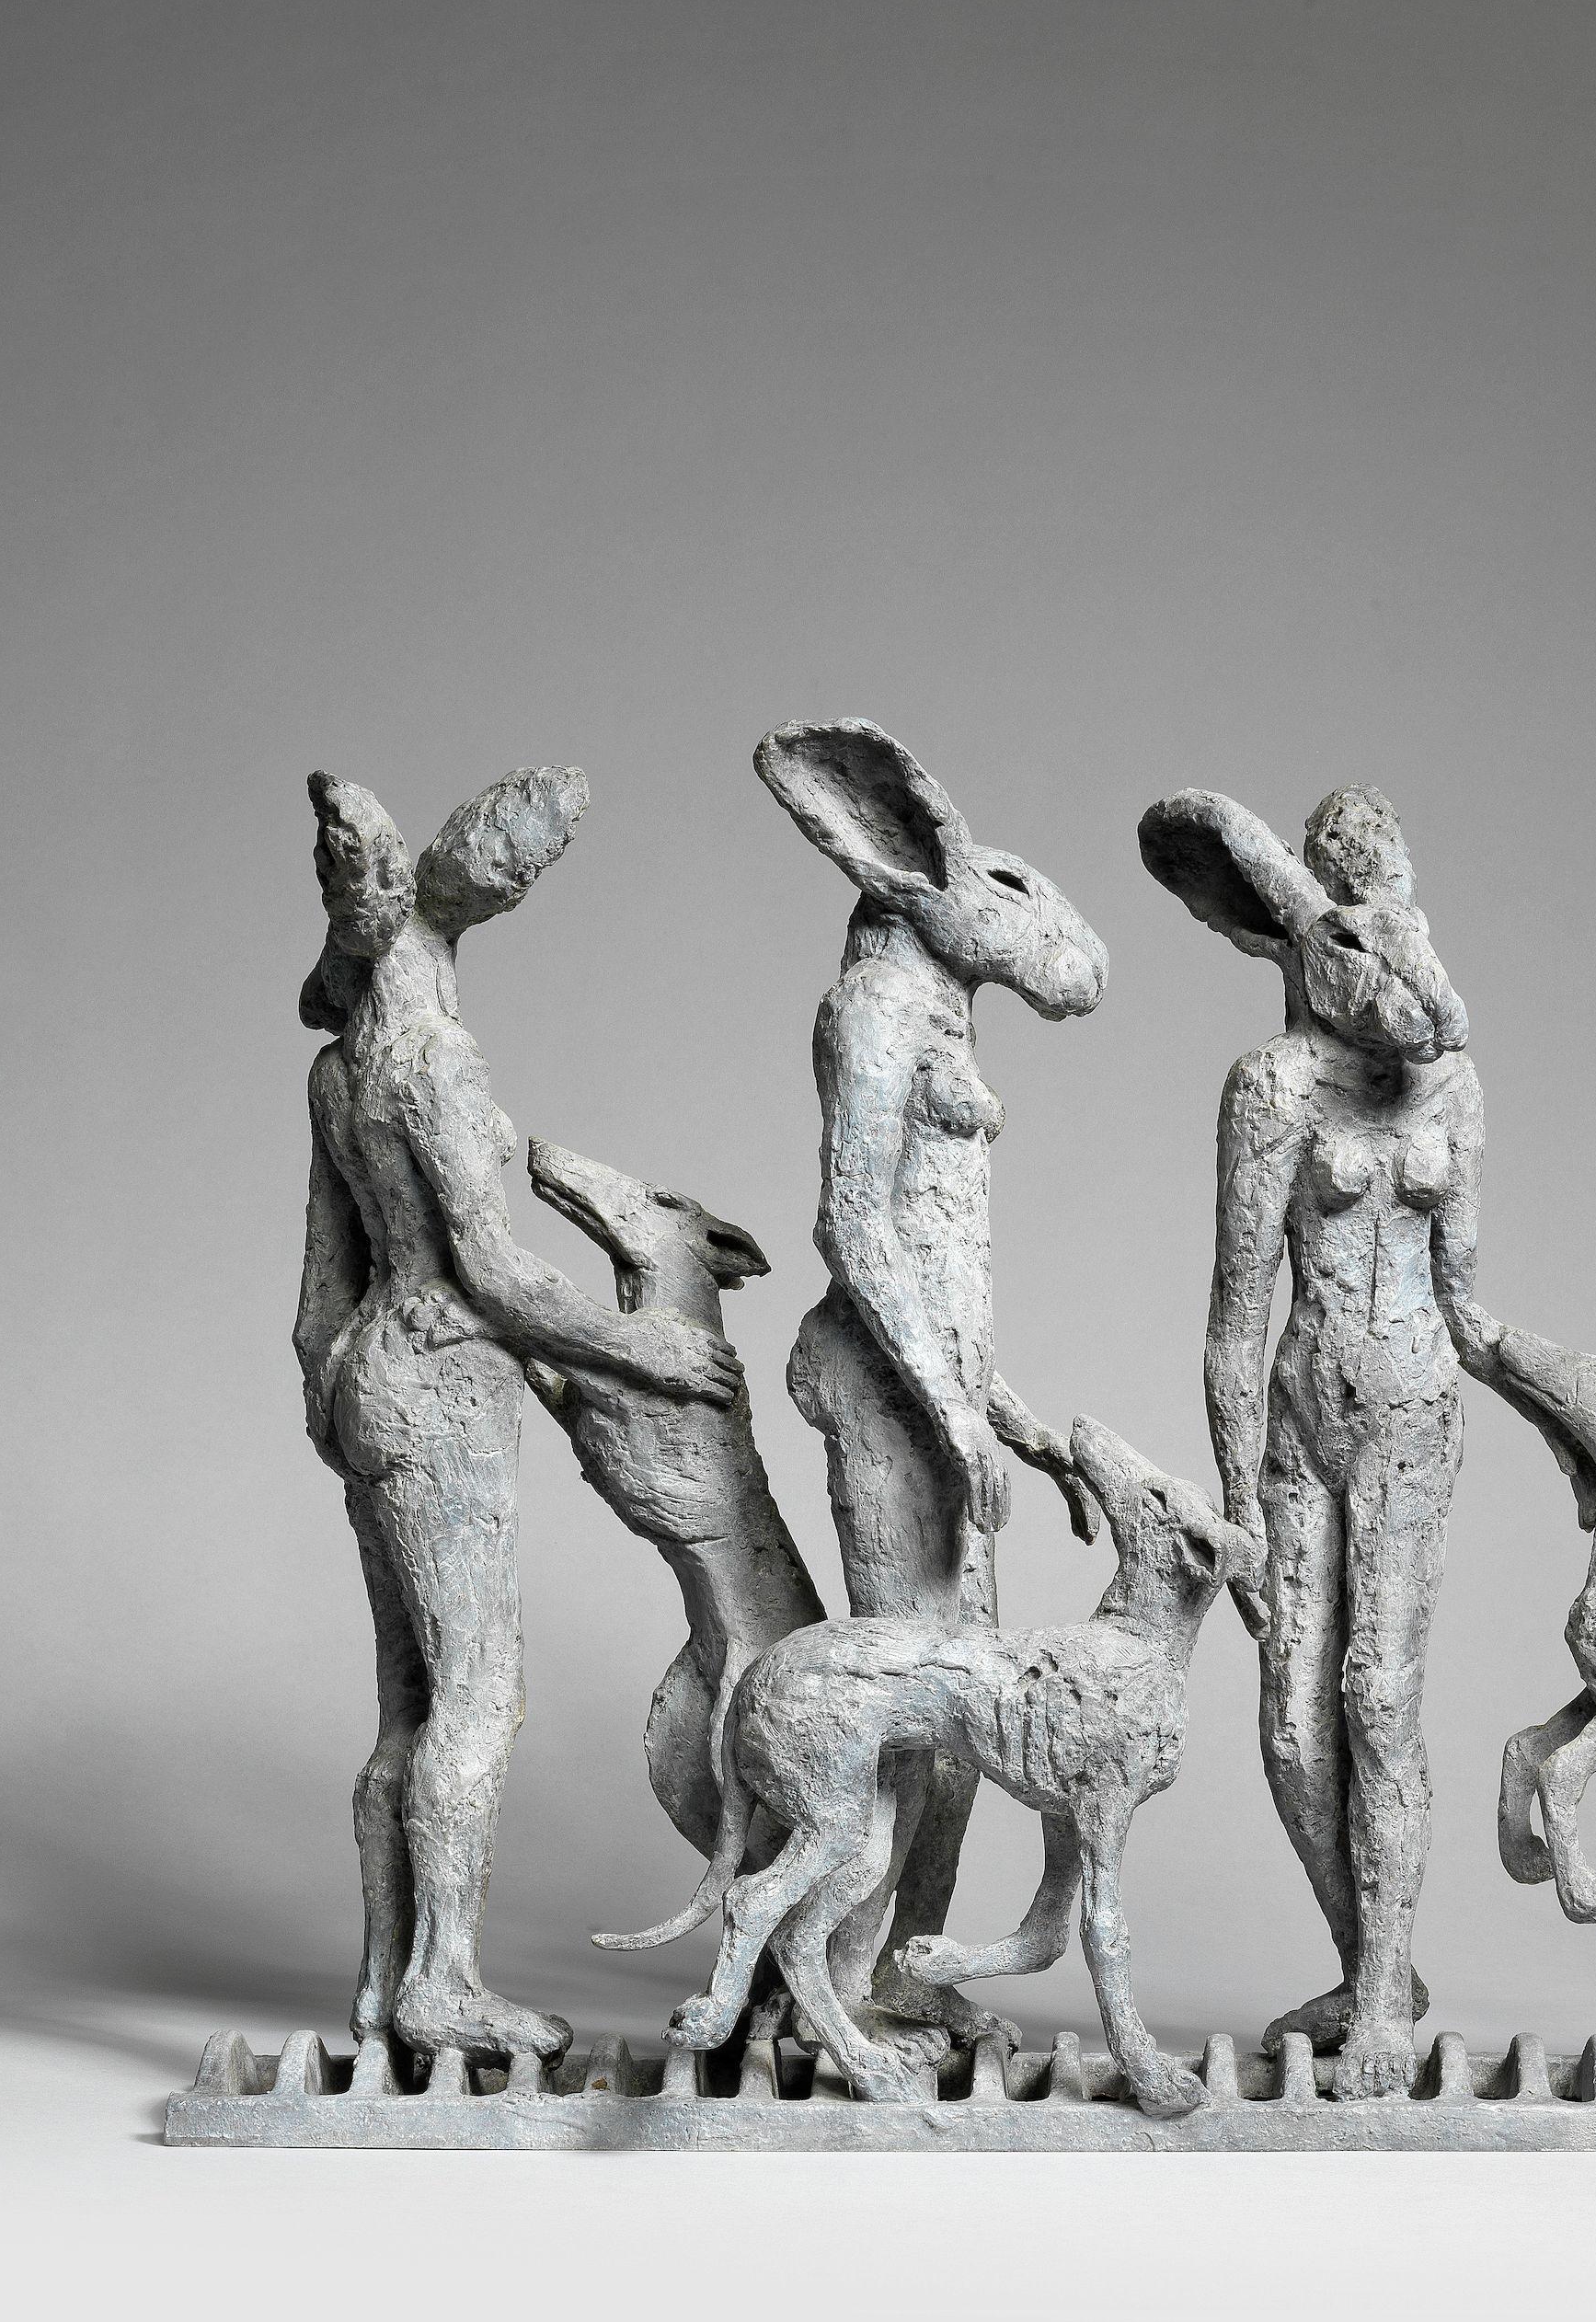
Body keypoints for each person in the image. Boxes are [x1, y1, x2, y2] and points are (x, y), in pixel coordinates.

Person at [293, 765, 739, 2065]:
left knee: (410, 1703)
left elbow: (320, 1295)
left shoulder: (337, 1069)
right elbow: (489, 1273)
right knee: (479, 1697)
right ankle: (440, 1983)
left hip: (374, 1375)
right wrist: (647, 1348)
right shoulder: (434, 1057)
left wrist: (336, 1399)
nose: (515, 868)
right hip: (442, 1384)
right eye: (518, 853)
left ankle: (384, 1987)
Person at [1141, 782, 1497, 2098]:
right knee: (1292, 1724)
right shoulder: (1273, 1087)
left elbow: (1467, 1304)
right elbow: (1237, 1314)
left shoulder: (1453, 1089)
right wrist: (1235, 1499)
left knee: (1377, 1698)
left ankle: (1387, 1997)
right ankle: (1371, 1964)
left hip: (1413, 1415)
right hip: (1302, 1419)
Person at [754, 719, 1107, 2036]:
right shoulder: (874, 1010)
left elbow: (945, 1264)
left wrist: (1013, 1420)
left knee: (970, 1700)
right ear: (913, 874)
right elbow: (853, 1224)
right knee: (906, 1697)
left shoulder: (944, 1013)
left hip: (944, 1391)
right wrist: (956, 1419)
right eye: (1005, 893)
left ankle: (906, 1964)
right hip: (887, 1392)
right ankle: (832, 1990)